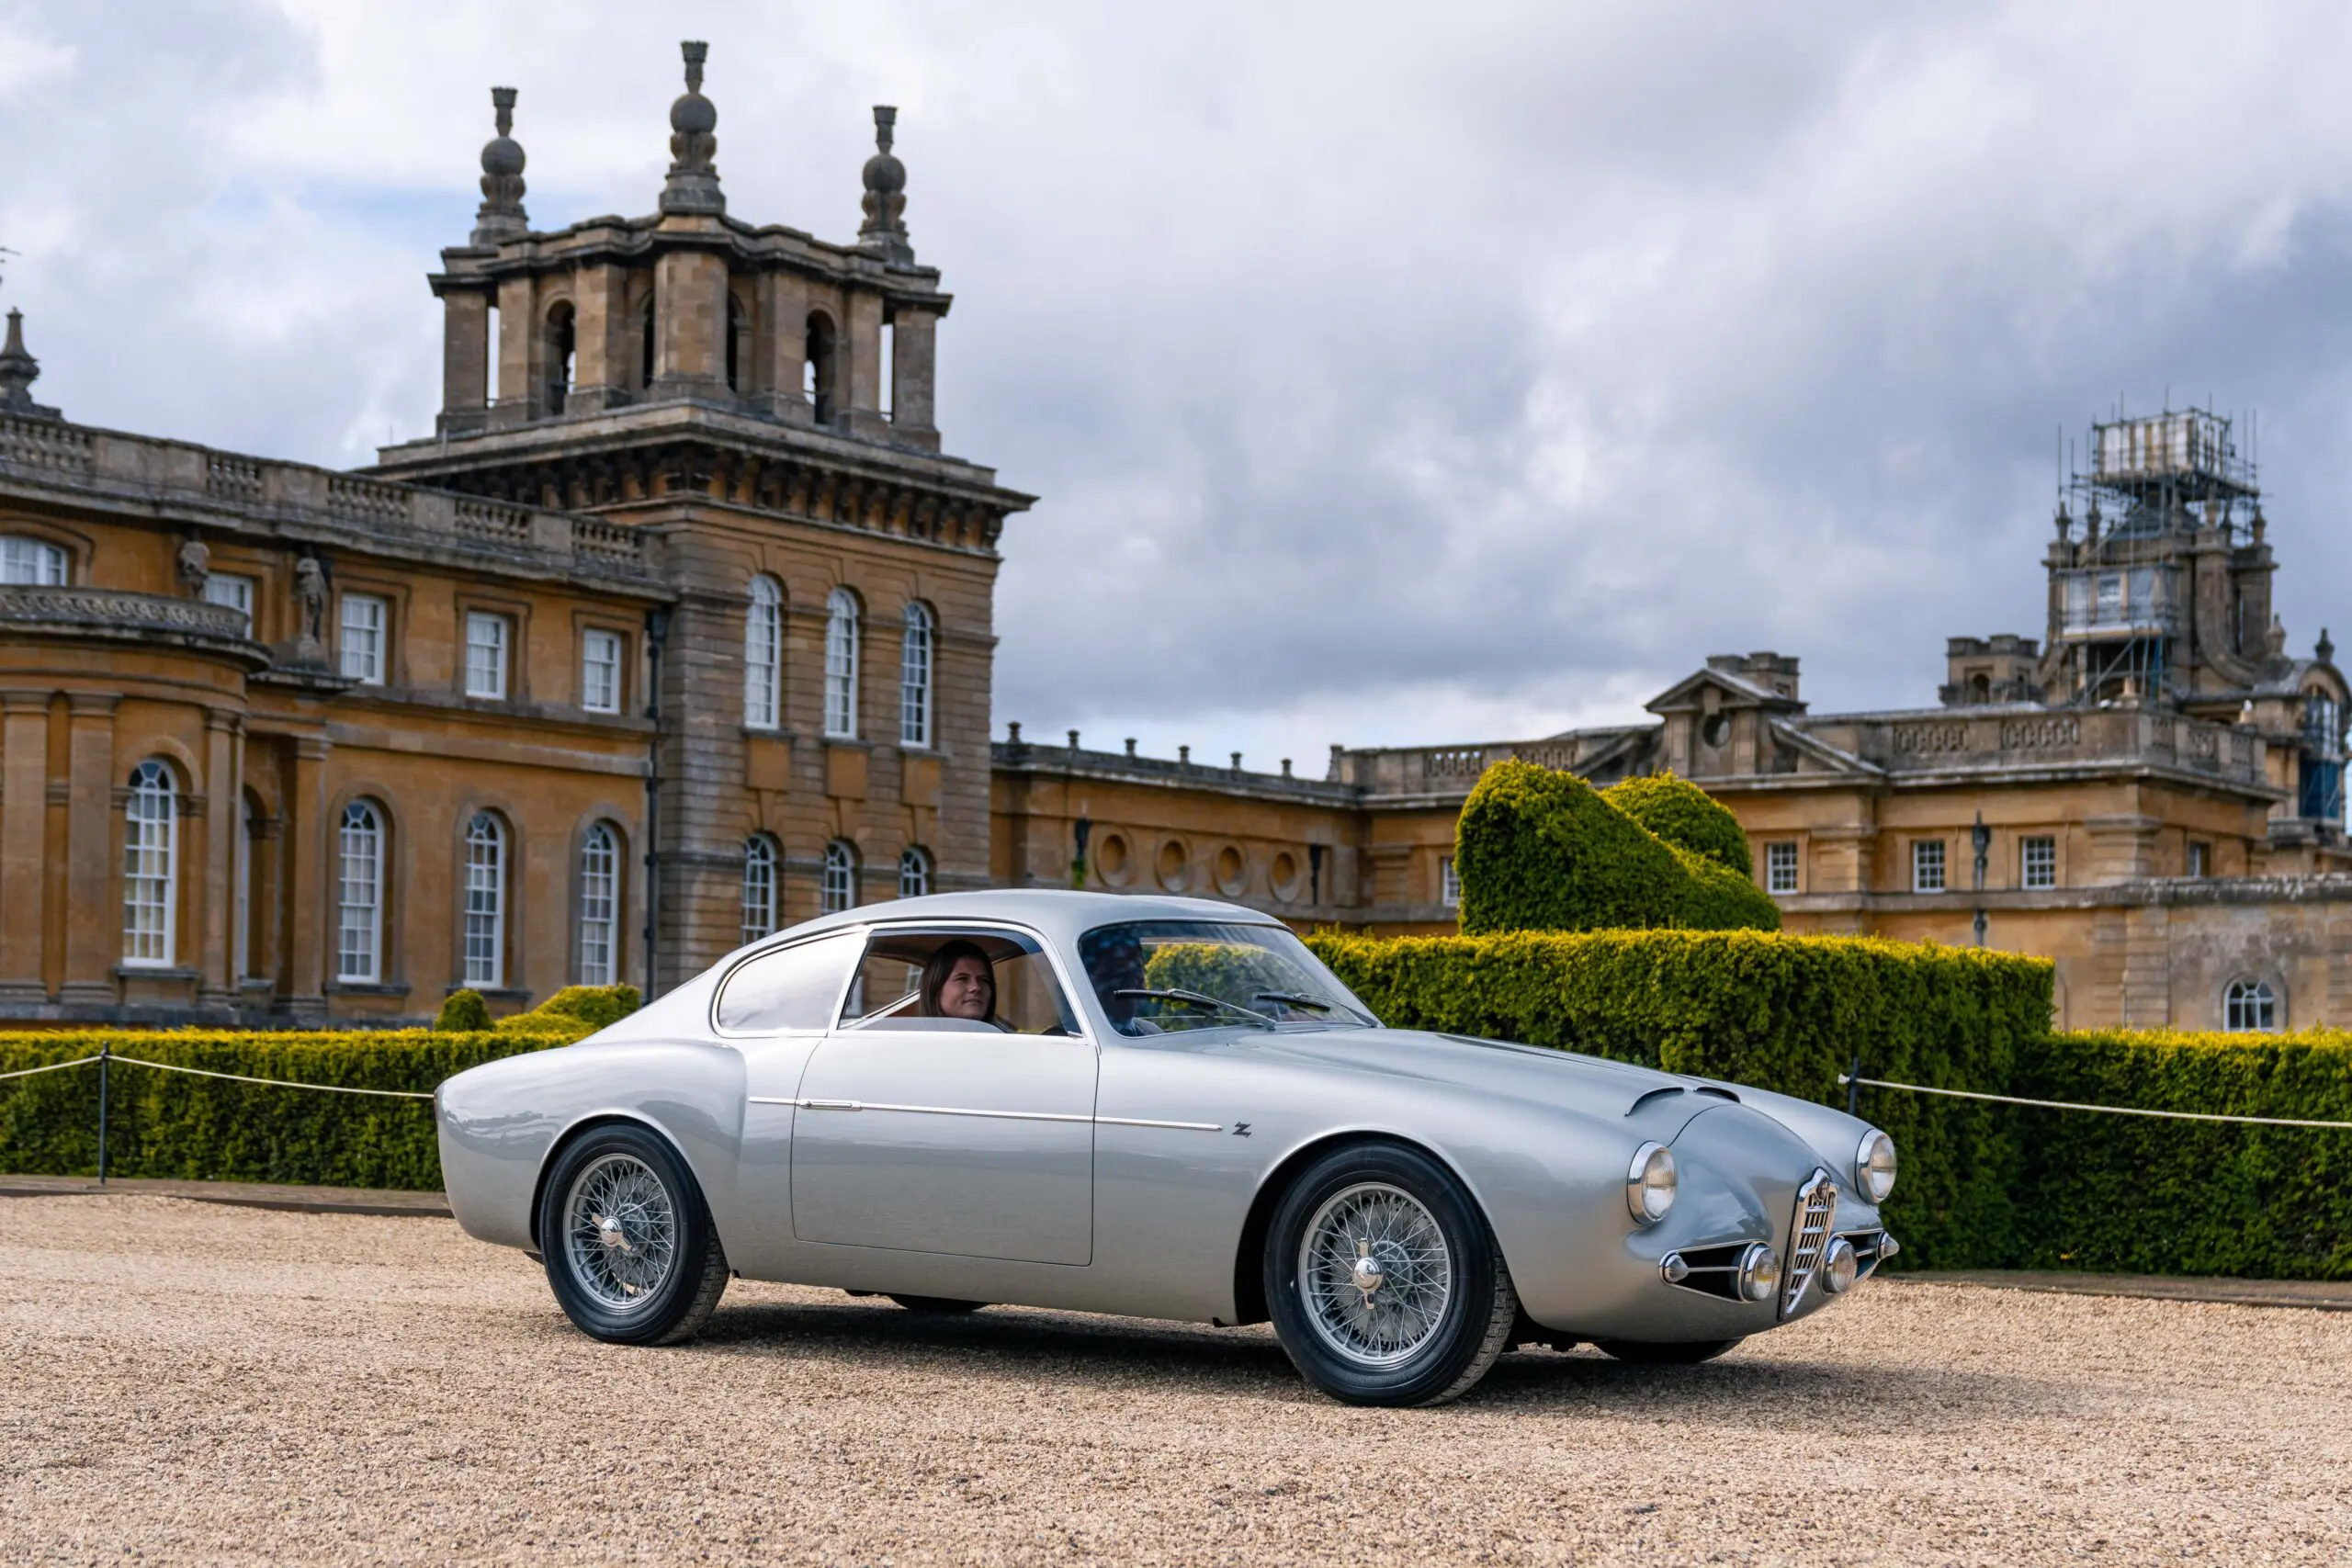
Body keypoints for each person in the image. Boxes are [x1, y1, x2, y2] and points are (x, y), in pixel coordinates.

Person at [918, 939, 1001, 1026]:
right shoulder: (913, 1034)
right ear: (936, 988)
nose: (976, 987)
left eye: (984, 980)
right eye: (962, 979)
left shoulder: (1005, 1034)